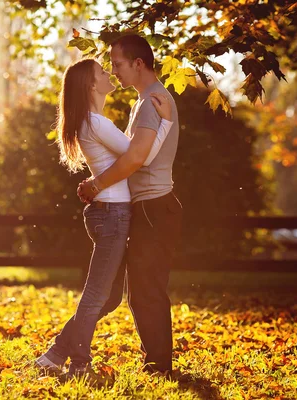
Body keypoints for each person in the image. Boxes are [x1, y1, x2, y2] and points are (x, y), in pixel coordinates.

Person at [35, 57, 174, 377]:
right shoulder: (95, 123)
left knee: (108, 297)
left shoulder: (92, 121)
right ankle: (79, 364)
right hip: (112, 215)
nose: (109, 73)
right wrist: (164, 123)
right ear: (91, 85)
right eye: (102, 71)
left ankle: (54, 356)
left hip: (110, 213)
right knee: (97, 295)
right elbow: (139, 158)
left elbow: (128, 153)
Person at [77, 34, 182, 375]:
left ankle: (159, 368)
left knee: (146, 291)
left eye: (119, 65)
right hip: (147, 207)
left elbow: (138, 157)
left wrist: (96, 184)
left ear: (138, 64)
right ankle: (154, 364)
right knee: (130, 293)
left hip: (153, 207)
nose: (115, 71)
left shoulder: (154, 100)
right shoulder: (145, 101)